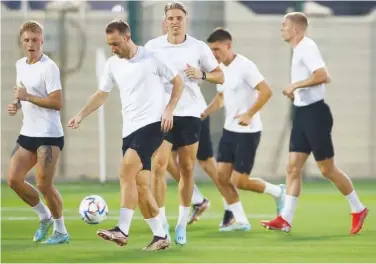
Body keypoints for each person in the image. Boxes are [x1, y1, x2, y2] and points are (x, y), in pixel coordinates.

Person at [68, 20, 184, 250]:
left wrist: (169, 109)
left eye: (116, 43)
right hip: (129, 130)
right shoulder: (112, 64)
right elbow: (102, 94)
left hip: (153, 125)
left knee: (125, 170)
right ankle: (160, 236)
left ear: (127, 38)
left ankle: (121, 230)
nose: (113, 48)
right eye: (109, 45)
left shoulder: (151, 58)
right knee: (140, 185)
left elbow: (178, 83)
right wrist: (81, 115)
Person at [261, 12, 368, 234]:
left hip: (315, 115)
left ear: (296, 30)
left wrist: (295, 86)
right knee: (292, 168)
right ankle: (285, 219)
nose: (281, 28)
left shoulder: (307, 47)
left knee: (327, 169)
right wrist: (297, 94)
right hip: (302, 114)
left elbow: (323, 76)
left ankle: (358, 208)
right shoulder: (298, 50)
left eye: (284, 25)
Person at [145, 1, 224, 245]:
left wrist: (202, 75)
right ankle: (161, 227)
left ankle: (181, 224)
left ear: (185, 20)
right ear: (165, 21)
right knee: (158, 166)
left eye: (179, 17)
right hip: (162, 114)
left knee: (187, 168)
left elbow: (219, 74)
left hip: (190, 113)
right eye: (171, 17)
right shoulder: (152, 47)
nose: (175, 21)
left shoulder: (198, 47)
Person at [202, 28, 286, 231]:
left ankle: (277, 191)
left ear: (228, 46)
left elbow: (266, 91)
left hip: (248, 133)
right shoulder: (220, 70)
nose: (214, 54)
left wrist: (249, 114)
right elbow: (221, 98)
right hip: (229, 131)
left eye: (217, 49)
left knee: (239, 180)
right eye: (211, 50)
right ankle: (241, 221)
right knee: (222, 178)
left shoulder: (245, 66)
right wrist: (204, 113)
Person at [7, 20, 69, 244]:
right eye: (27, 40)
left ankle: (61, 230)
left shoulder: (49, 67)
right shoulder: (20, 65)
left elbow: (57, 102)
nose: (31, 44)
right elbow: (22, 93)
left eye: (35, 39)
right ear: (22, 42)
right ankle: (44, 217)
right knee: (13, 180)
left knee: (44, 184)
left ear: (42, 41)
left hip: (49, 135)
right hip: (28, 132)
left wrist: (27, 97)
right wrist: (17, 104)